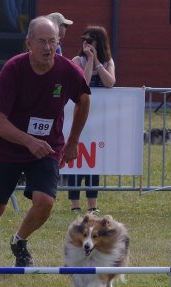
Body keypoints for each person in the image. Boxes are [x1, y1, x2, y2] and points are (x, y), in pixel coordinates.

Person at [0, 16, 90, 267]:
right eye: (42, 42)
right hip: (5, 143)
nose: (48, 48)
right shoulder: (13, 69)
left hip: (46, 146)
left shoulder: (67, 70)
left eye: (53, 41)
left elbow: (83, 99)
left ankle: (19, 240)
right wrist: (28, 141)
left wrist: (73, 142)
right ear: (29, 43)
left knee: (45, 201)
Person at [67, 26, 116, 213]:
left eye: (90, 40)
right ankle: (74, 204)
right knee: (75, 158)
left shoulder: (108, 61)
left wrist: (96, 61)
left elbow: (110, 82)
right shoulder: (76, 60)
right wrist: (88, 61)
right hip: (79, 117)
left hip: (99, 120)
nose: (86, 43)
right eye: (84, 39)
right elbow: (83, 83)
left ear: (99, 43)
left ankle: (92, 204)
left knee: (93, 161)